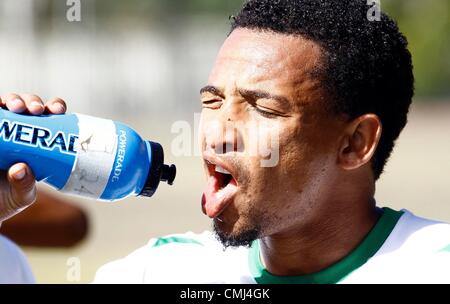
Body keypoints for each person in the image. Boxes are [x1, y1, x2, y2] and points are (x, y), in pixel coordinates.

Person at [1, 0, 449, 283]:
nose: (219, 133)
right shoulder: (152, 273)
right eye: (212, 102)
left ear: (355, 143)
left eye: (263, 109)